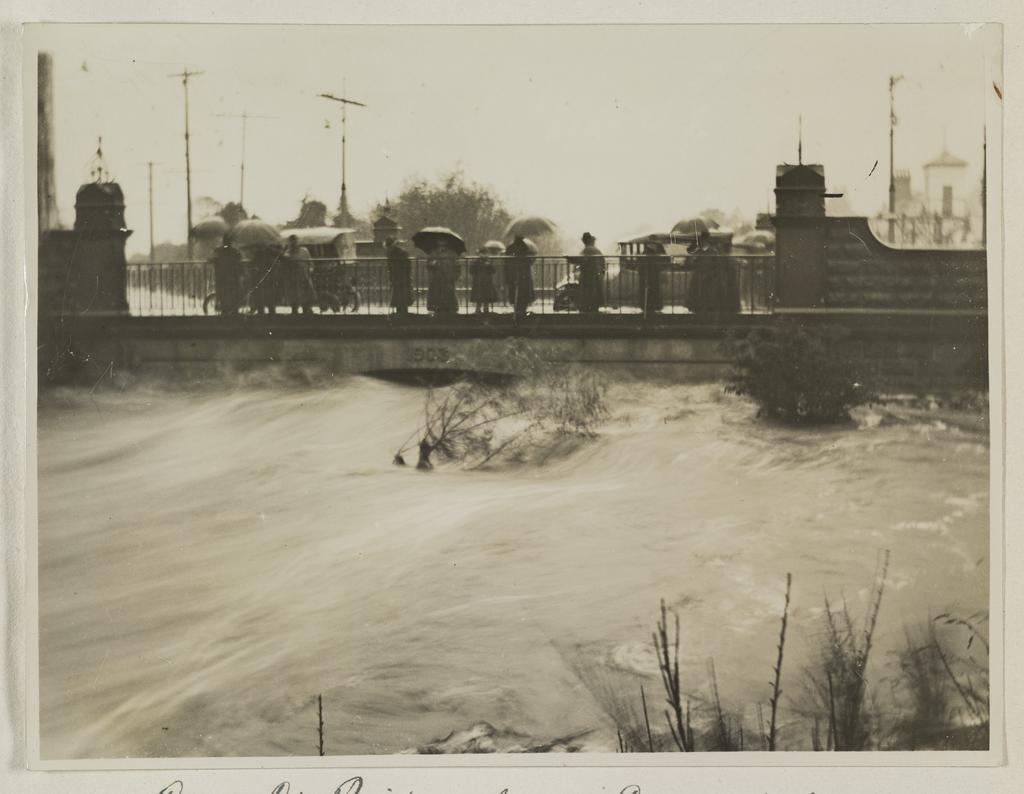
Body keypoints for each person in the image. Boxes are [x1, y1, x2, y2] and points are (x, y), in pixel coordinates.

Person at [684, 231, 740, 314]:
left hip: (702, 275)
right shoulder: (713, 251)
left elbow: (691, 262)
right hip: (706, 275)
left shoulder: (701, 250)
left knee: (700, 292)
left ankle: (700, 307)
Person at [571, 232, 606, 313]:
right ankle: (594, 309)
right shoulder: (596, 250)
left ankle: (587, 310)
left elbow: (581, 260)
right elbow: (602, 262)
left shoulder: (587, 250)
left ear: (585, 241)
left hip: (587, 274)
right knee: (595, 292)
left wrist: (570, 259)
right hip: (596, 274)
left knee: (587, 292)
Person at [504, 235, 536, 318]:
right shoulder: (525, 247)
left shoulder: (511, 247)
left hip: (513, 273)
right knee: (524, 293)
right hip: (523, 274)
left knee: (514, 291)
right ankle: (522, 309)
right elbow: (529, 261)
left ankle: (516, 309)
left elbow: (506, 260)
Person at [284, 235, 316, 314]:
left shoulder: (304, 251)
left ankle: (307, 309)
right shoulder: (287, 253)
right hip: (293, 278)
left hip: (304, 276)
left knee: (306, 294)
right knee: (294, 295)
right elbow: (285, 266)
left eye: (295, 240)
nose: (294, 243)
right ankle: (294, 311)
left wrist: (310, 270)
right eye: (291, 241)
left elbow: (310, 262)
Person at [426, 239, 459, 315]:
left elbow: (457, 266)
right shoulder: (433, 253)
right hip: (436, 277)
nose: (441, 242)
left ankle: (449, 309)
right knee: (436, 295)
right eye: (440, 240)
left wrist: (454, 277)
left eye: (443, 240)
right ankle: (437, 309)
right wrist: (432, 264)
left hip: (448, 277)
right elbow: (428, 265)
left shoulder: (451, 253)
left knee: (449, 294)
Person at [210, 241, 244, 315]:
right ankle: (233, 311)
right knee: (233, 294)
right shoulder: (235, 251)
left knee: (223, 295)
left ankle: (225, 310)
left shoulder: (218, 251)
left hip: (222, 277)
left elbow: (212, 260)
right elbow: (239, 261)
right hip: (232, 277)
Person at [638, 241, 667, 315]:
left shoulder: (647, 252)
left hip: (652, 275)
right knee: (652, 291)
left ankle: (650, 307)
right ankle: (652, 307)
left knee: (651, 291)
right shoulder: (652, 252)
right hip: (651, 275)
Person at [385, 237, 413, 316]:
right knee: (398, 294)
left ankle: (403, 311)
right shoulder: (391, 253)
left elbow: (406, 265)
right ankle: (400, 311)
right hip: (397, 275)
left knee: (402, 293)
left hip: (401, 275)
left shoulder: (400, 253)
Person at [470, 247, 499, 313]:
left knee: (486, 296)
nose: (484, 255)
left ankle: (486, 309)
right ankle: (478, 309)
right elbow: (471, 270)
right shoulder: (476, 261)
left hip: (486, 281)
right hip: (479, 281)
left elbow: (493, 271)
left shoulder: (488, 261)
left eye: (485, 253)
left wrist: (489, 265)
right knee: (479, 297)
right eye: (483, 253)